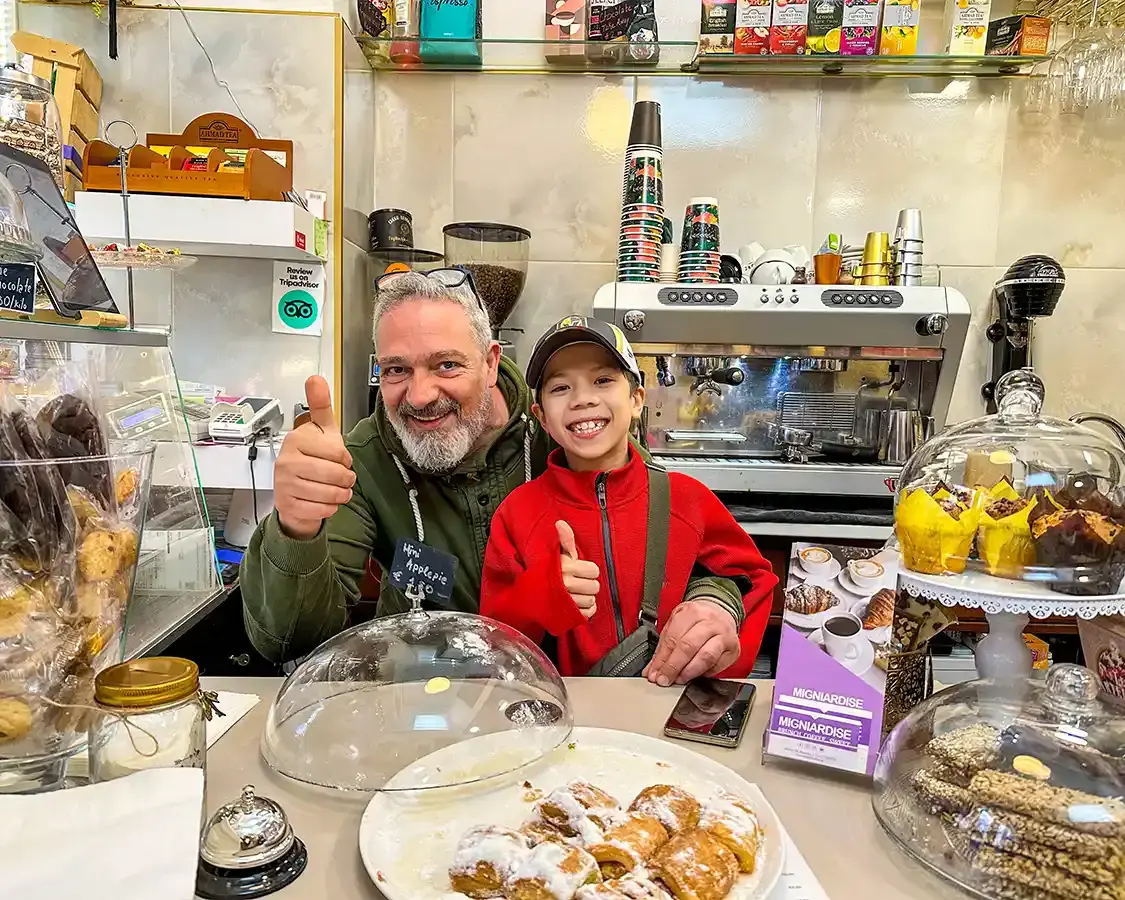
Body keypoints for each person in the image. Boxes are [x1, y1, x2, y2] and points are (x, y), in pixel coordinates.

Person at [239, 269, 748, 681]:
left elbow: (666, 536)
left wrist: (714, 605)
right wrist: (295, 527)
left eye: (446, 365)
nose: (418, 395)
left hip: (557, 699)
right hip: (424, 701)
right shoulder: (361, 461)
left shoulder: (569, 427)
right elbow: (288, 641)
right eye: (396, 370)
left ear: (490, 361)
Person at [480, 316, 778, 682]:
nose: (583, 399)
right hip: (574, 718)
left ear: (637, 399)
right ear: (541, 416)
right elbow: (494, 642)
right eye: (560, 388)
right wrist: (537, 597)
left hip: (670, 706)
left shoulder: (687, 499)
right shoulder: (518, 513)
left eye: (603, 380)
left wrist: (719, 609)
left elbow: (752, 577)